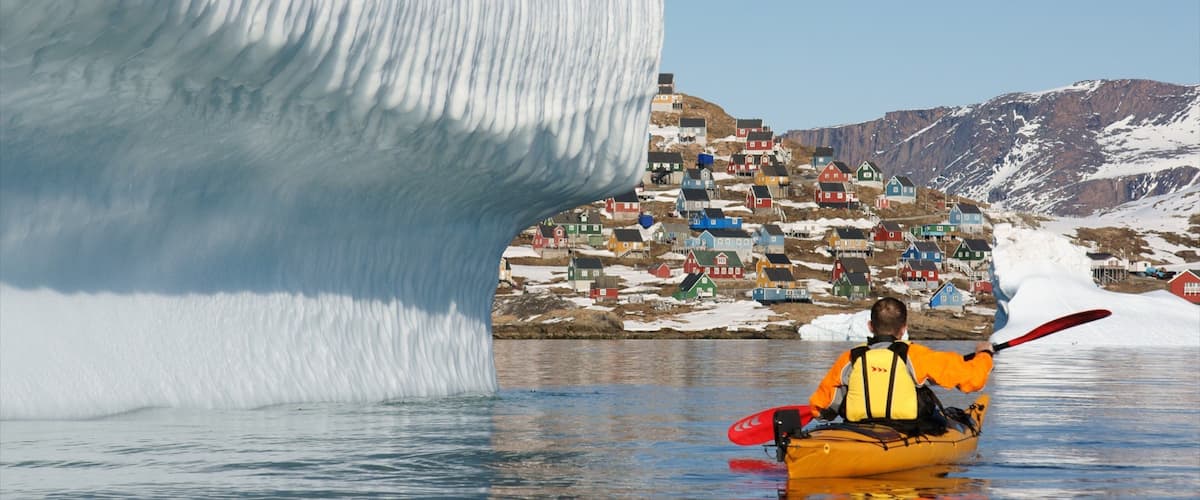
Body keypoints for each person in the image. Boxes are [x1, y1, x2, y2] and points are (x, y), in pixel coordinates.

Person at [808, 297, 994, 433]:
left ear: (871, 326)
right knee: (939, 415)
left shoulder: (850, 358)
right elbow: (974, 380)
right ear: (904, 328)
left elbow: (820, 408)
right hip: (909, 430)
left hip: (858, 430)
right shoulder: (916, 355)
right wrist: (984, 355)